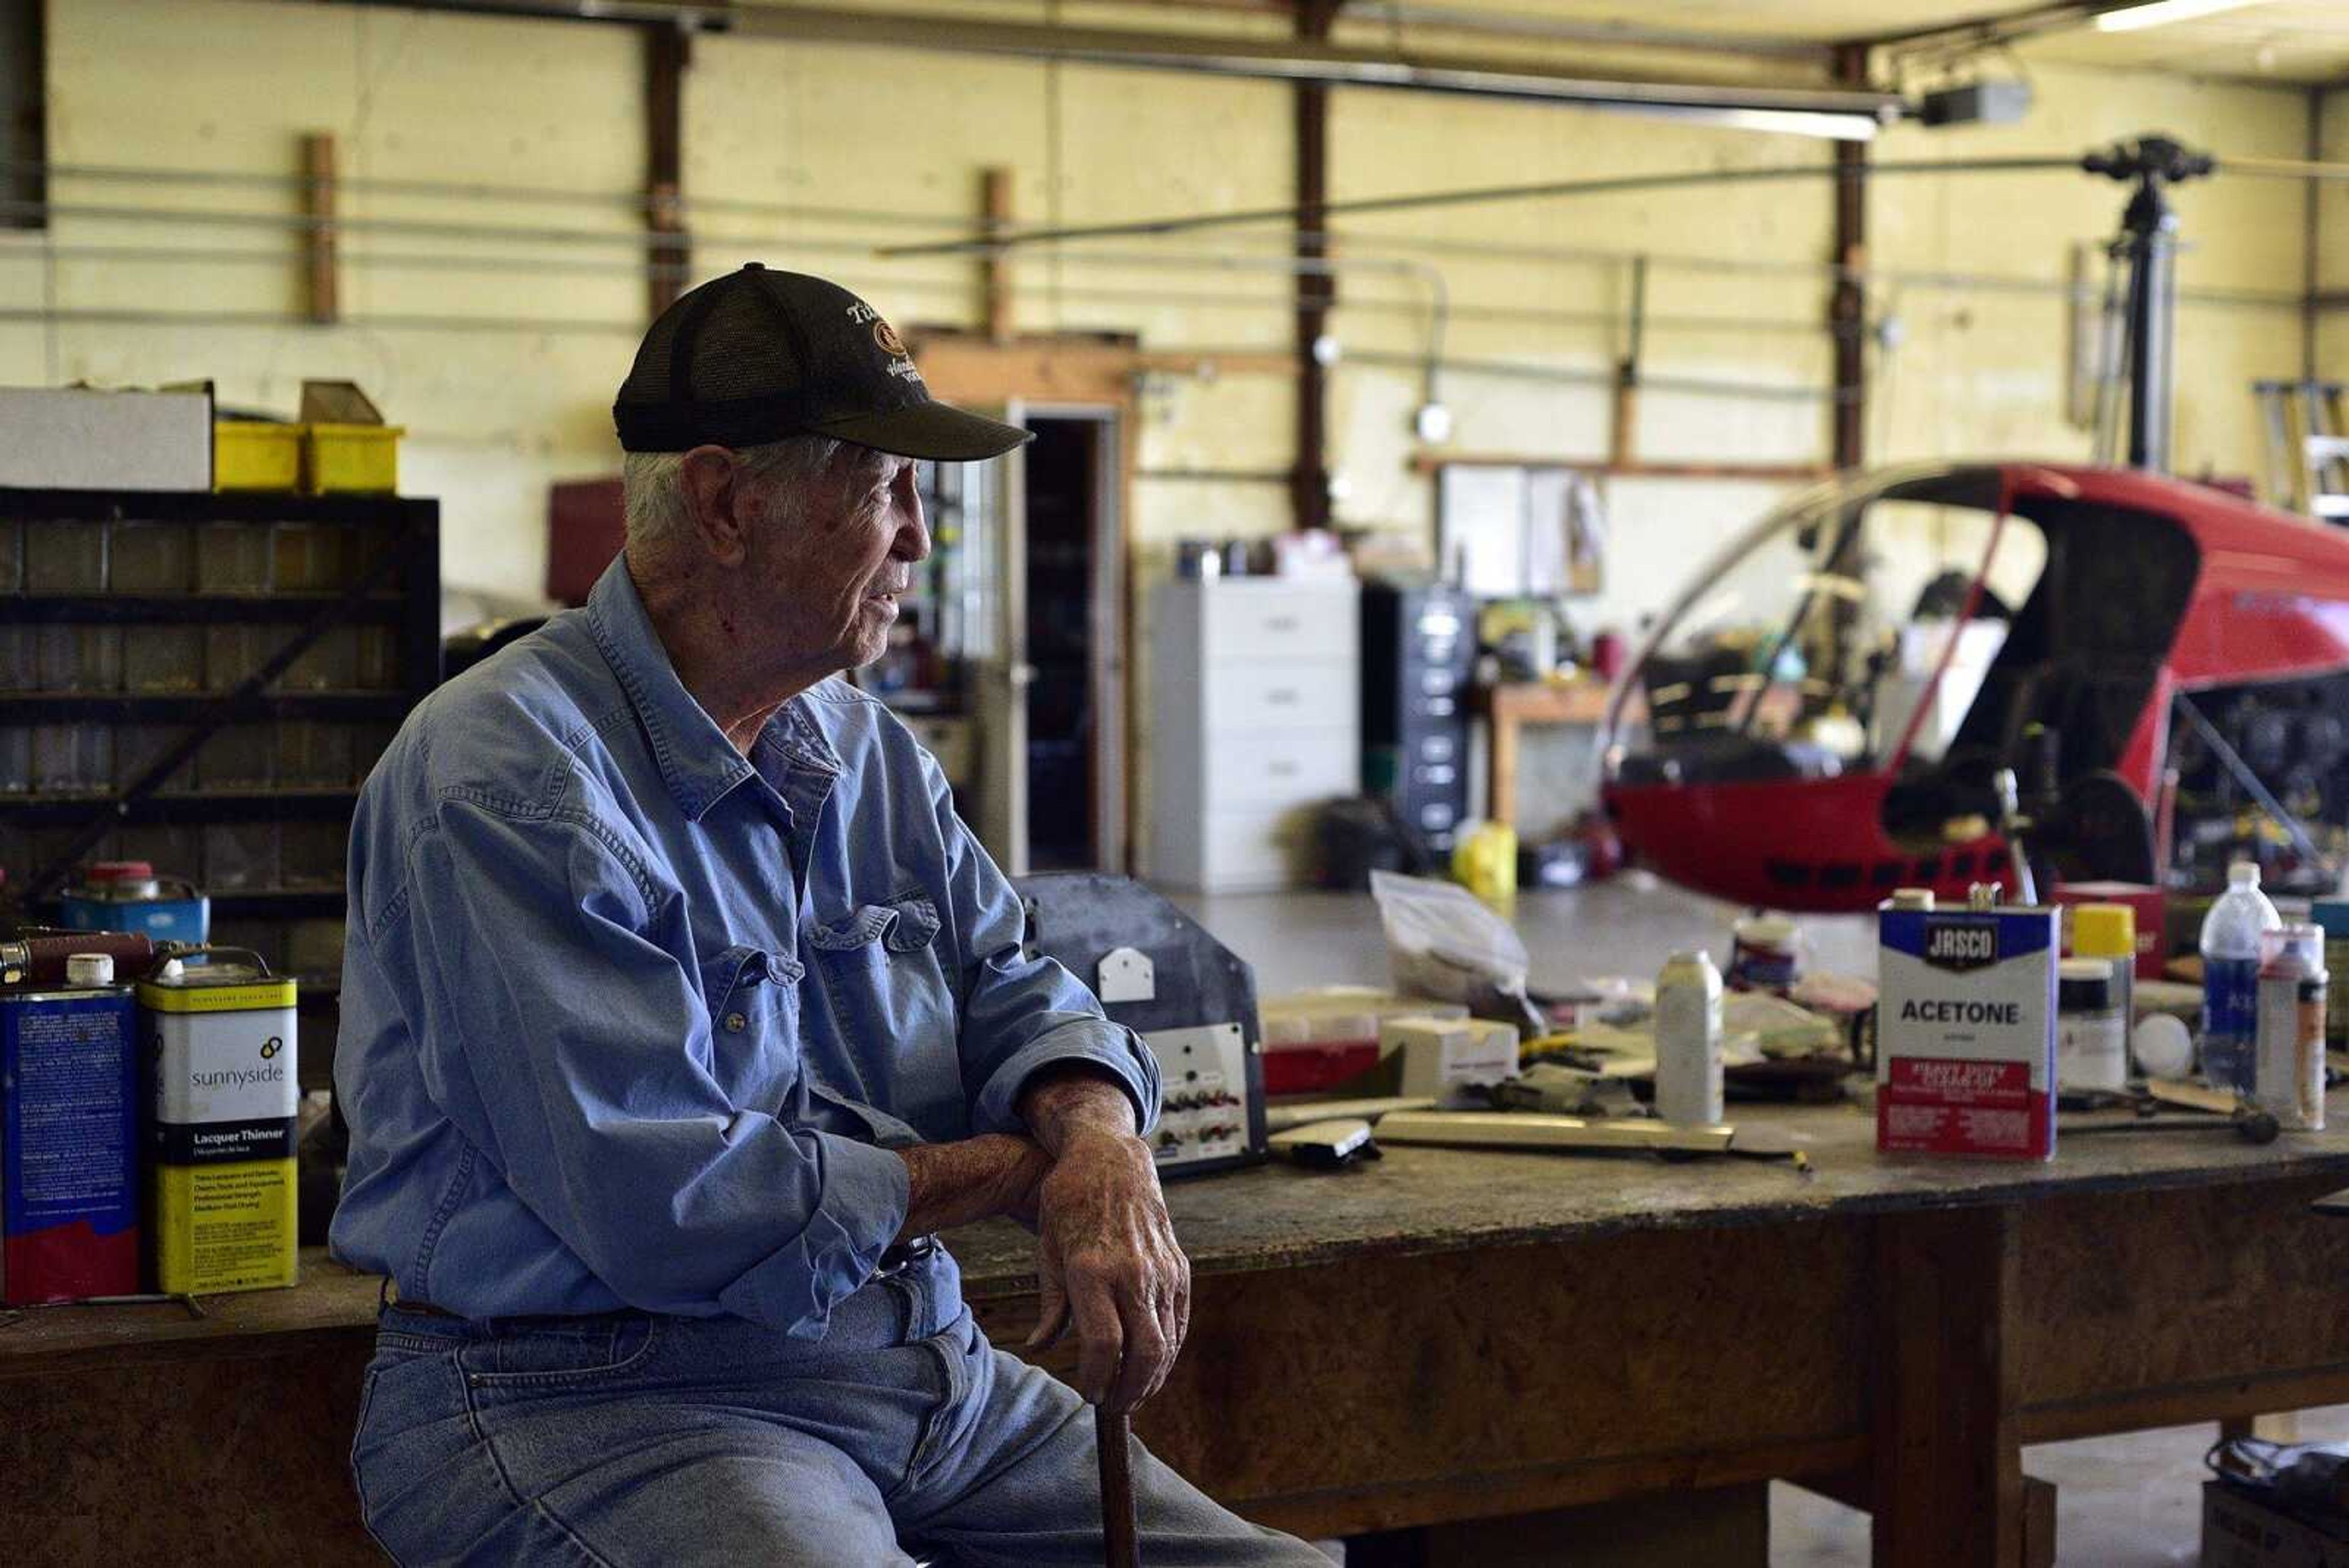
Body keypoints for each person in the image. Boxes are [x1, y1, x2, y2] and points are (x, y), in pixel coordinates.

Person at [331, 264, 1327, 1567]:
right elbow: (669, 1198)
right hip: (600, 1401)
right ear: (728, 502)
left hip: (918, 1372)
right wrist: (1029, 1173)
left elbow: (1021, 983)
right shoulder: (508, 776)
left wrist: (1096, 1134)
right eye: (884, 490)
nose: (920, 536)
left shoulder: (867, 753)